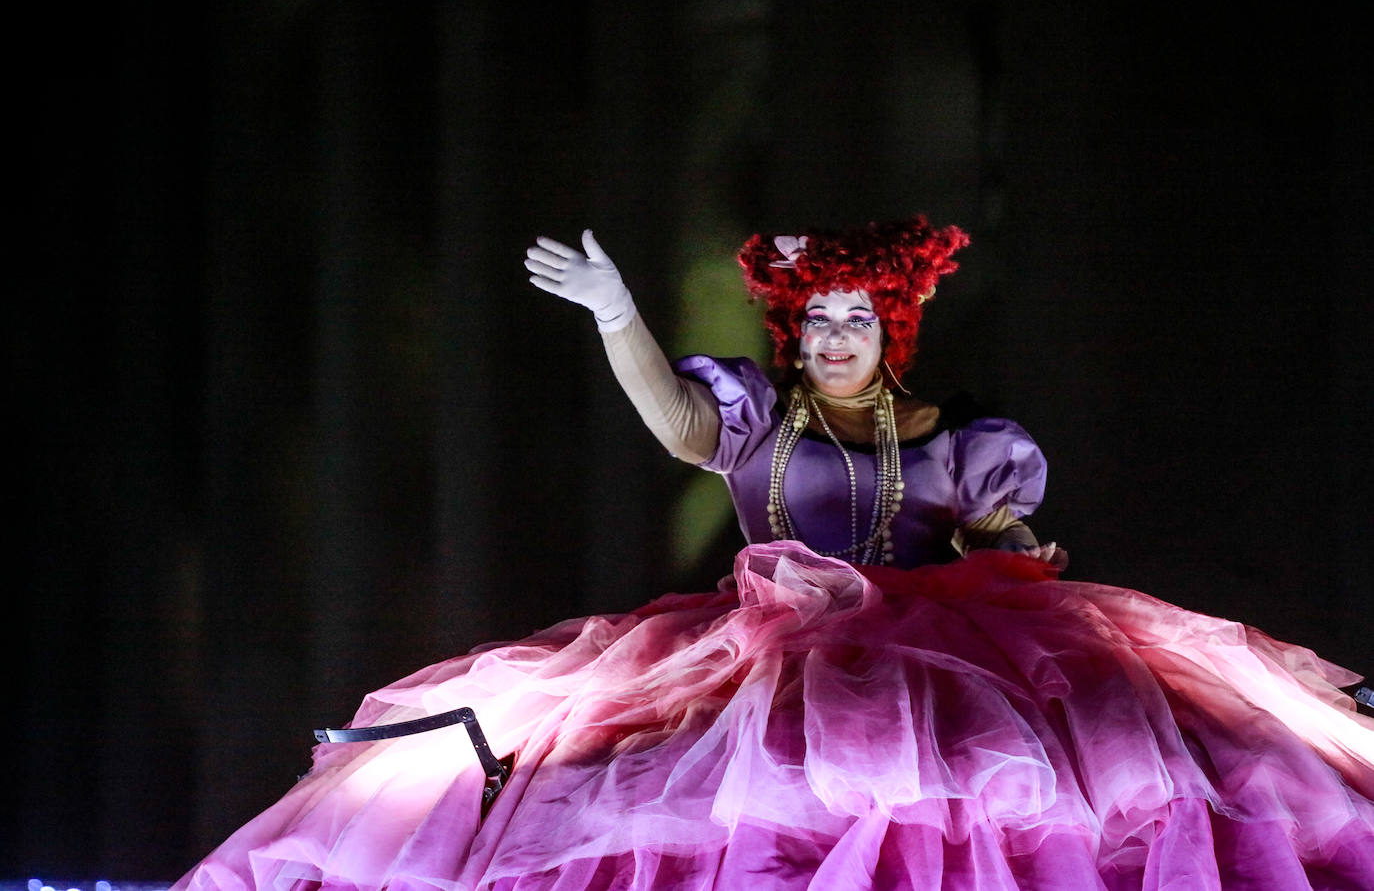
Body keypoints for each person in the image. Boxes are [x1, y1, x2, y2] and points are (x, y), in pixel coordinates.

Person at [175, 217, 1374, 890]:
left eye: (858, 316)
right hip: (771, 654)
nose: (836, 334)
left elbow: (999, 540)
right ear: (795, 334)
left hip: (939, 655)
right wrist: (616, 315)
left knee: (972, 815)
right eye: (818, 317)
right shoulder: (752, 414)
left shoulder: (960, 441)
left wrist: (1013, 547)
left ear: (890, 328)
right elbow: (678, 426)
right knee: (728, 822)